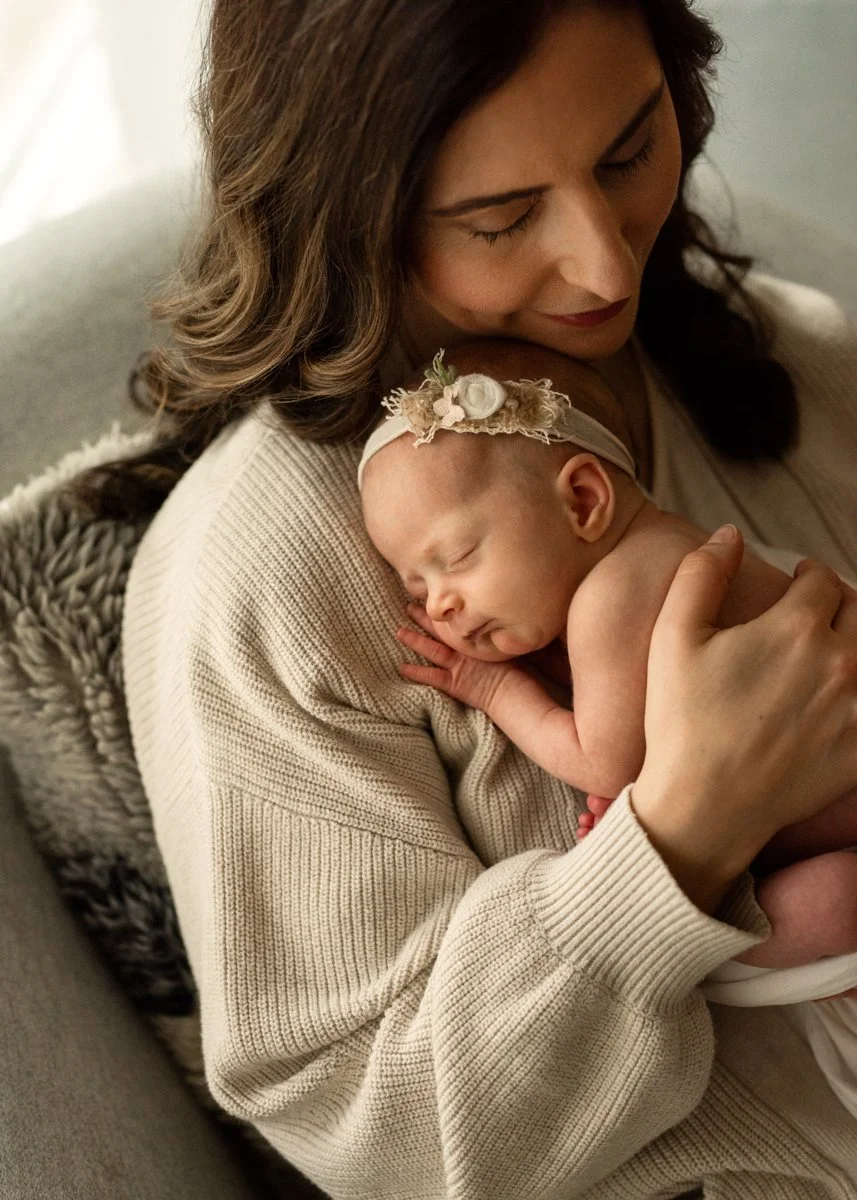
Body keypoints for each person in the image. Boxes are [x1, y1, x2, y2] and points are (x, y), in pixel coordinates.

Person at [73, 0, 857, 1193]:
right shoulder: (264, 577)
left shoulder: (784, 361)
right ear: (350, 219)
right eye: (498, 220)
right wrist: (682, 835)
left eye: (627, 149)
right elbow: (377, 1137)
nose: (604, 263)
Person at [358, 338, 857, 976]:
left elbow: (606, 763)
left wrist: (495, 691)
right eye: (417, 588)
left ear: (585, 501)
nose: (441, 608)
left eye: (455, 559)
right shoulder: (668, 545)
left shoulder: (612, 595)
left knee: (829, 906)